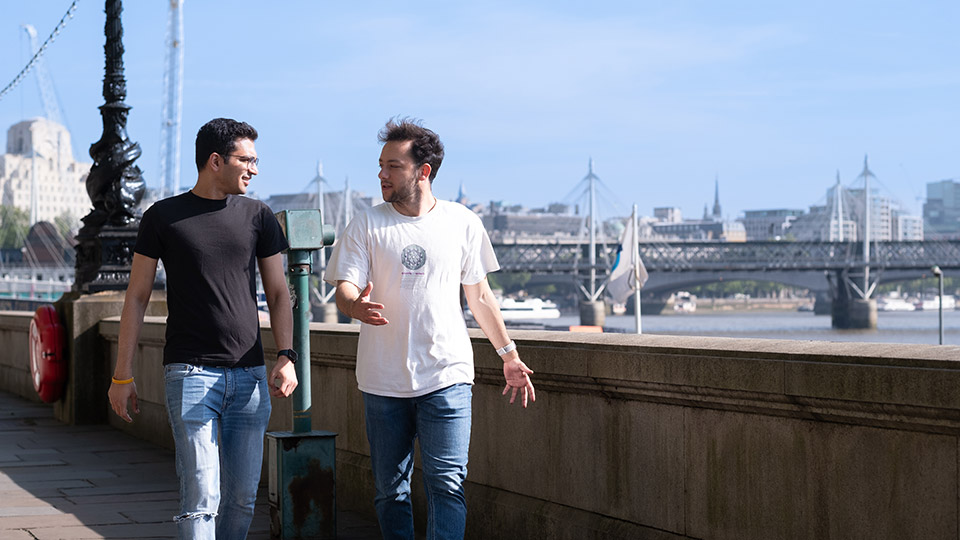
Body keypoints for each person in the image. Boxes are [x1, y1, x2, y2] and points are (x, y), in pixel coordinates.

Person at [324, 118, 536, 540]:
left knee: (448, 486)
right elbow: (345, 287)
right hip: (383, 381)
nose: (382, 175)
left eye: (393, 166)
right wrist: (354, 306)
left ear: (424, 171)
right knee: (390, 491)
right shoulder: (365, 224)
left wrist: (509, 355)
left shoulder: (463, 222)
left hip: (447, 375)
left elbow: (480, 297)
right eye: (381, 165)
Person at [108, 118, 298, 539]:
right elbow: (136, 297)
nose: (255, 168)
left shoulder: (258, 216)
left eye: (255, 160)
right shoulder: (162, 217)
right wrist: (122, 375)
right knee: (200, 497)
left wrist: (287, 355)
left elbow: (280, 294)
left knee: (242, 498)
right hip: (190, 375)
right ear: (216, 161)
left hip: (250, 378)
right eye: (246, 159)